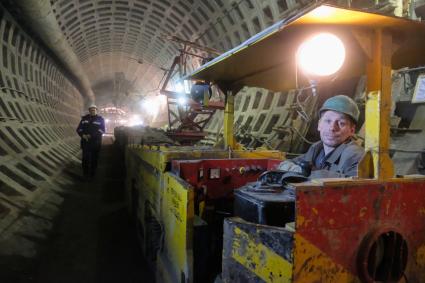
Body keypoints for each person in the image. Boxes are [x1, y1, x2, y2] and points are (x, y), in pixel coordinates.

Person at [278, 95, 364, 178]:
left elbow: (354, 185)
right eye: (327, 121)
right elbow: (285, 164)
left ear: (352, 130)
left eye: (341, 123)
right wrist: (297, 169)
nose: (332, 128)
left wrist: (307, 173)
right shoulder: (317, 149)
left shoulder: (355, 155)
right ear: (319, 125)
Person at [76, 104, 105, 179]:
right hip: (85, 143)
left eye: (94, 110)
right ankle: (85, 174)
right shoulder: (84, 119)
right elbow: (79, 129)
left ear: (96, 110)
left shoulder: (100, 119)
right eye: (91, 110)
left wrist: (91, 136)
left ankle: (92, 175)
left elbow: (102, 130)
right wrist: (83, 135)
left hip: (96, 143)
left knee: (94, 160)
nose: (92, 111)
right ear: (89, 111)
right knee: (85, 159)